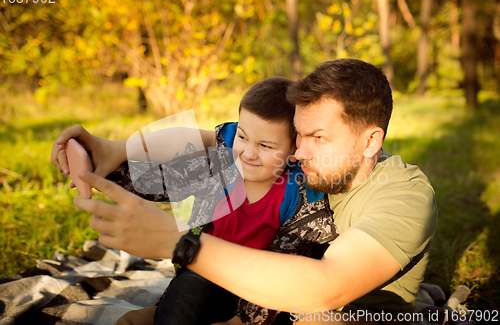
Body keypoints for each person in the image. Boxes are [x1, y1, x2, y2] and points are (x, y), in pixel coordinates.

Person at [52, 59, 438, 324]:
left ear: (371, 142)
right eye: (298, 136)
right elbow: (212, 139)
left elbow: (325, 288)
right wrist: (113, 149)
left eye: (318, 137)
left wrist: (180, 243)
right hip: (252, 288)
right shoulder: (295, 161)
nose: (299, 153)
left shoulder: (405, 196)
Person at [52, 77, 338, 325]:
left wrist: (243, 321)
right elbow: (161, 180)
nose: (248, 153)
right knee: (189, 288)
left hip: (260, 291)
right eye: (242, 137)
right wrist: (99, 168)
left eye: (265, 146)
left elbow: (285, 270)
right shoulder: (222, 165)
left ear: (293, 150)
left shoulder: (297, 197)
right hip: (205, 271)